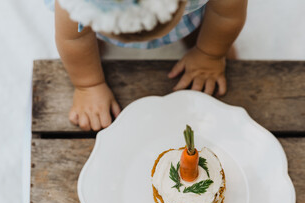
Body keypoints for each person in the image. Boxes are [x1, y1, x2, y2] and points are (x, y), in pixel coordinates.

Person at [53, 0, 247, 131]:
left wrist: (209, 55)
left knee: (214, 36)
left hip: (191, 12)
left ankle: (205, 51)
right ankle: (98, 38)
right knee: (83, 42)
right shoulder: (81, 5)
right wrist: (88, 85)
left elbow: (226, 16)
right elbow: (73, 39)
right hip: (99, 13)